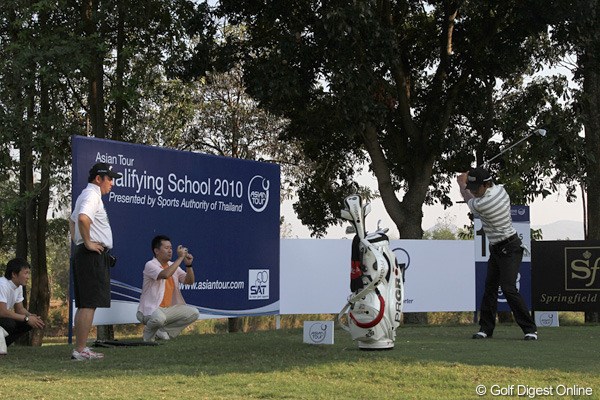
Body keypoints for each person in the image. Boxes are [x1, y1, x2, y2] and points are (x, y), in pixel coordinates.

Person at [457, 167, 538, 341]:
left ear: (486, 185)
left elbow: (468, 201)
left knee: (508, 288)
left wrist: (461, 184)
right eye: (471, 187)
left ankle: (530, 329)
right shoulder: (500, 189)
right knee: (490, 288)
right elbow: (472, 194)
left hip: (511, 248)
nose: (472, 191)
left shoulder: (486, 203)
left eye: (475, 188)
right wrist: (468, 181)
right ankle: (486, 329)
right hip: (496, 248)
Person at [69, 162, 122, 360]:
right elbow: (82, 218)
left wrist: (80, 241)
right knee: (88, 304)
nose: (112, 183)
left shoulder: (87, 194)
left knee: (85, 304)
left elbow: (73, 220)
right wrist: (88, 243)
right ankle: (81, 350)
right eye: (110, 178)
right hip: (91, 255)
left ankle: (80, 348)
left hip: (86, 254)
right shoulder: (92, 195)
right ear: (98, 179)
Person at [137, 235, 200, 342]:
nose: (170, 251)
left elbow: (189, 281)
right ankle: (148, 333)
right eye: (166, 248)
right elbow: (165, 274)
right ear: (156, 251)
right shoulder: (150, 265)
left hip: (167, 310)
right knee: (159, 319)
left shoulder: (172, 265)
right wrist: (180, 258)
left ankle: (163, 332)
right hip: (149, 311)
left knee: (194, 313)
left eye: (171, 248)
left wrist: (189, 266)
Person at [0, 258, 45, 354]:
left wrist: (32, 317)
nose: (28, 277)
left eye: (28, 273)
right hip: (1, 315)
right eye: (25, 273)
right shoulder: (2, 285)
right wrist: (27, 318)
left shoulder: (18, 287)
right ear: (14, 274)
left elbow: (19, 309)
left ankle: (3, 346)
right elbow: (2, 312)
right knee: (10, 323)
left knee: (26, 324)